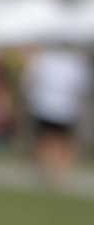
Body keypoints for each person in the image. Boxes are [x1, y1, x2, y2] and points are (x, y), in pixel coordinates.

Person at [21, 43, 92, 187]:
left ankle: (53, 173)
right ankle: (56, 173)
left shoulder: (45, 59)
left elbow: (29, 81)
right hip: (55, 106)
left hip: (55, 107)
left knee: (51, 141)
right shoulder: (71, 61)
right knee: (56, 142)